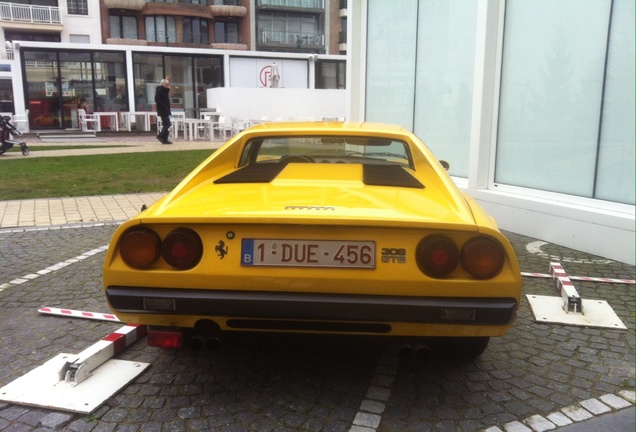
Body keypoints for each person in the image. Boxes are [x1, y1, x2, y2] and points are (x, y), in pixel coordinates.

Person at [154, 78, 172, 144]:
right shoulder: (159, 90)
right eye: (166, 84)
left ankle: (164, 139)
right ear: (162, 84)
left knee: (165, 124)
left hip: (165, 109)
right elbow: (157, 99)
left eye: (168, 84)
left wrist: (167, 89)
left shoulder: (165, 91)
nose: (167, 85)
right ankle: (160, 135)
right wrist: (164, 106)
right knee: (168, 124)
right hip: (162, 110)